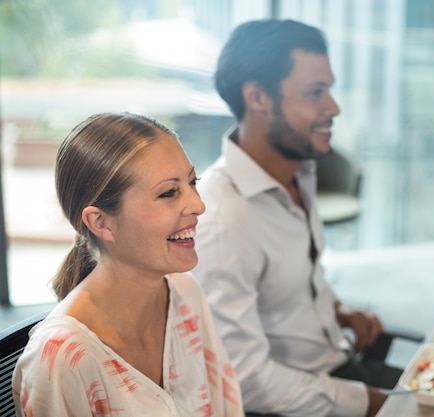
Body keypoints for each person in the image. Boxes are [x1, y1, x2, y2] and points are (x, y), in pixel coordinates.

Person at [192, 19, 399, 417]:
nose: (333, 107)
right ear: (257, 97)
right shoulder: (223, 223)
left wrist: (337, 312)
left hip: (335, 362)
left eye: (330, 89)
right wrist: (370, 403)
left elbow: (291, 281)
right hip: (294, 400)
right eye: (315, 93)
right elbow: (247, 382)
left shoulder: (297, 171)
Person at [12, 112, 244, 417]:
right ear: (101, 222)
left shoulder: (184, 292)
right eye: (168, 192)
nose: (198, 204)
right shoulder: (60, 358)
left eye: (192, 182)